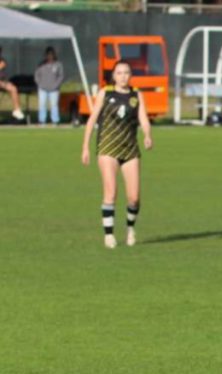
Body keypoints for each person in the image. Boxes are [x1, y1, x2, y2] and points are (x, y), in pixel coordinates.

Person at [81, 60, 153, 249]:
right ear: (113, 76)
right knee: (111, 192)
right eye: (119, 73)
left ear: (130, 75)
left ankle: (130, 228)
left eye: (126, 72)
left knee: (134, 197)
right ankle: (109, 235)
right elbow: (91, 121)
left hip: (129, 149)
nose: (123, 76)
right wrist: (85, 147)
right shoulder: (105, 93)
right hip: (108, 148)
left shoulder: (136, 95)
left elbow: (144, 119)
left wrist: (147, 135)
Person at [34, 46, 64, 125]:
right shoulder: (41, 64)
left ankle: (55, 120)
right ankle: (42, 120)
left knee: (54, 105)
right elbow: (37, 75)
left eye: (51, 54)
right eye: (48, 54)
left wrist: (56, 85)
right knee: (42, 104)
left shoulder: (58, 65)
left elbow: (61, 76)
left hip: (54, 89)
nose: (49, 56)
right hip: (43, 88)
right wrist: (40, 84)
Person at [0, 46, 26, 121]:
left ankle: (17, 110)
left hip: (2, 82)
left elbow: (2, 66)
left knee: (13, 88)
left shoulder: (2, 61)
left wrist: (4, 82)